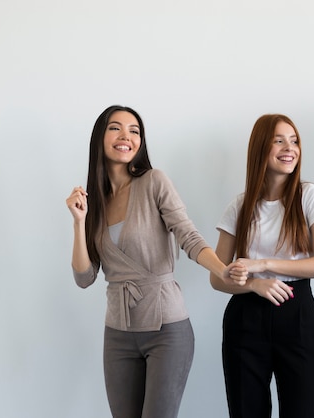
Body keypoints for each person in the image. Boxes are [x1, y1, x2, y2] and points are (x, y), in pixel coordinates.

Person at [65, 105, 247, 418]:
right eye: (115, 128)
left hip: (167, 330)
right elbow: (84, 277)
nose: (126, 136)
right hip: (118, 334)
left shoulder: (154, 182)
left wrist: (223, 269)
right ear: (100, 137)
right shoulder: (92, 201)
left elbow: (188, 236)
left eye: (134, 130)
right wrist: (79, 222)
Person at [210, 114, 314, 418]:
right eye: (279, 140)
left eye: (294, 141)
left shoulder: (310, 195)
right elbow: (218, 276)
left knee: (302, 411)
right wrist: (253, 283)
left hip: (296, 313)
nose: (289, 147)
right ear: (260, 148)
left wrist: (261, 264)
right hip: (245, 317)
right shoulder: (239, 207)